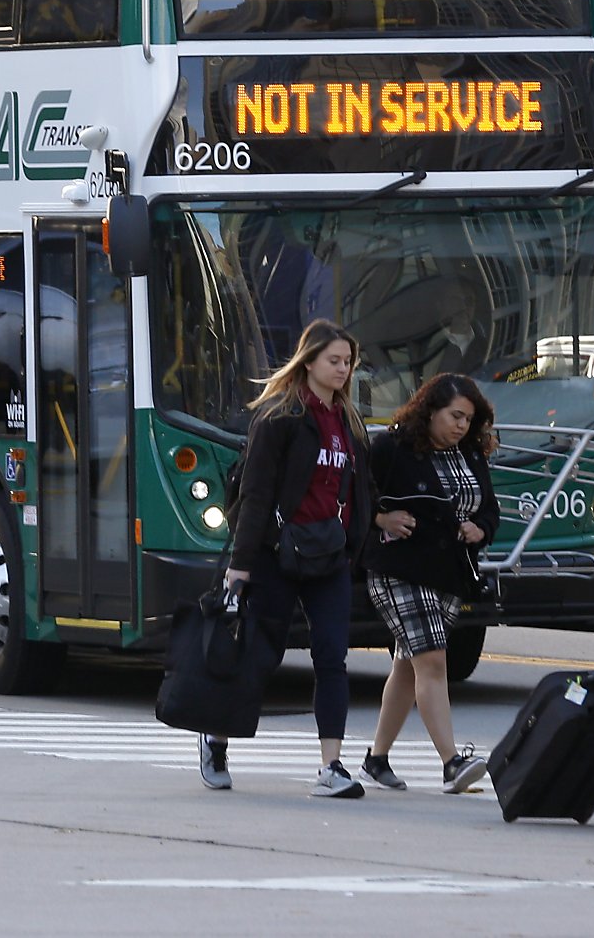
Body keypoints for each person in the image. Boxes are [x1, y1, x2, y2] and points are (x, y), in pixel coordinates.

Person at [201, 318, 374, 798]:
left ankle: (331, 765)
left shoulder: (349, 422)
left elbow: (360, 490)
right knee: (260, 653)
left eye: (348, 363)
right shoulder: (279, 417)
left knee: (332, 657)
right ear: (309, 362)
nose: (342, 370)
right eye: (333, 361)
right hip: (279, 554)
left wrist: (358, 545)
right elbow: (255, 495)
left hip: (330, 557)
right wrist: (242, 563)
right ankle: (216, 737)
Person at [357, 373, 501, 794]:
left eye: (469, 420)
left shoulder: (471, 455)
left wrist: (481, 529)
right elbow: (354, 497)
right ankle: (451, 763)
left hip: (449, 573)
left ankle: (376, 758)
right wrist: (382, 519)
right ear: (430, 410)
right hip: (399, 569)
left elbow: (490, 508)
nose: (461, 426)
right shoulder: (391, 448)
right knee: (434, 662)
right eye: (455, 415)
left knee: (408, 666)